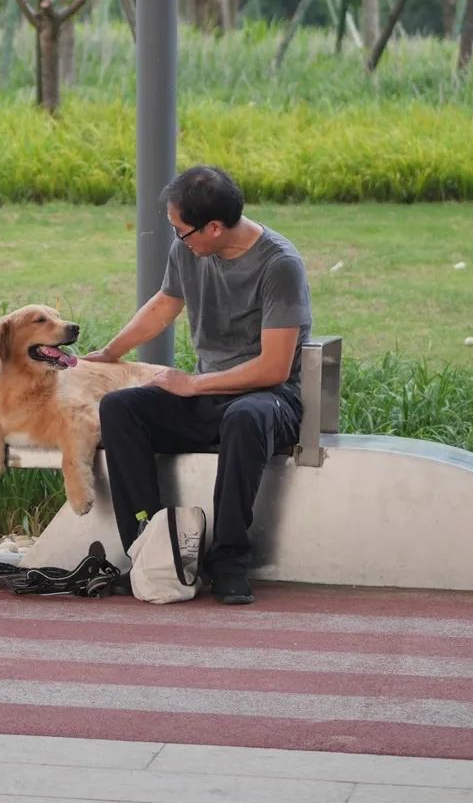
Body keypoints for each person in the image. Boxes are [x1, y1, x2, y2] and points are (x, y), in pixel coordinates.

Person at [89, 165, 311, 605]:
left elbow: (274, 368)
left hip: (269, 400)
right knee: (120, 408)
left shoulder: (279, 265)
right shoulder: (190, 250)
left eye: (182, 231)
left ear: (214, 227)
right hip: (206, 394)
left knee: (246, 417)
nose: (177, 240)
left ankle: (228, 560)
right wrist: (110, 353)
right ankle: (152, 550)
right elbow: (162, 306)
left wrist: (193, 384)